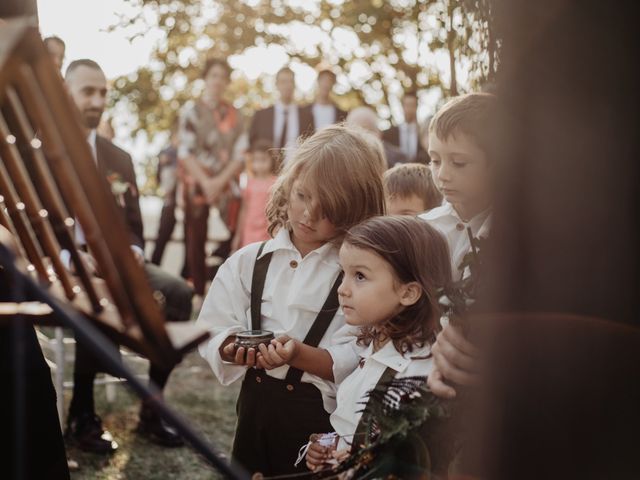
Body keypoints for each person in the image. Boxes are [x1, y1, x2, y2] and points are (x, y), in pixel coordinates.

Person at [195, 125, 386, 476]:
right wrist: (230, 347)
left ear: (354, 208)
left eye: (327, 208)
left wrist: (297, 354)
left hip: (315, 424)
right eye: (302, 196)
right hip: (252, 413)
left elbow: (358, 358)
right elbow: (212, 326)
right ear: (287, 188)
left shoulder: (356, 276)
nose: (308, 215)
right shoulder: (248, 261)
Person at [62, 59, 193, 452]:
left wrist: (134, 251)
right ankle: (82, 415)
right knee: (98, 294)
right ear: (66, 94)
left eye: (103, 92)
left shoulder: (119, 158)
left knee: (178, 293)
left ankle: (152, 410)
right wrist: (72, 260)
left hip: (119, 259)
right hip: (67, 263)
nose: (98, 100)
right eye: (88, 91)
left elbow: (134, 223)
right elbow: (33, 225)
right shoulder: (43, 152)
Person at [256, 216, 451, 474]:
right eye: (343, 274)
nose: (342, 289)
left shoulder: (419, 373)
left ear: (408, 292)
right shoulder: (373, 346)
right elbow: (354, 425)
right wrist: (328, 444)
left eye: (360, 276)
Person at [417, 92, 496, 400]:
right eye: (434, 160)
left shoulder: (517, 237)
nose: (442, 175)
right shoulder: (424, 229)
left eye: (459, 162)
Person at [177, 57, 247, 297]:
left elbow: (241, 154)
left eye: (222, 77)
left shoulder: (236, 115)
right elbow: (185, 152)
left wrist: (220, 182)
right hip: (197, 182)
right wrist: (206, 182)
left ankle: (219, 276)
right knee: (195, 236)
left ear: (227, 82)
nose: (218, 81)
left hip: (227, 182)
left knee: (241, 225)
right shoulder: (191, 112)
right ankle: (197, 293)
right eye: (213, 75)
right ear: (206, 79)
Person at [249, 66, 314, 161]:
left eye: (291, 81)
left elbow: (311, 145)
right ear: (276, 85)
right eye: (283, 82)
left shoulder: (306, 116)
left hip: (296, 170)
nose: (288, 86)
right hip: (266, 172)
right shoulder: (261, 115)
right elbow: (252, 144)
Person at [231, 139, 279, 252]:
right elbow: (244, 209)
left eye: (263, 160)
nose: (259, 164)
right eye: (256, 160)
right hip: (249, 229)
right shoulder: (249, 183)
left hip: (267, 229)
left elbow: (277, 210)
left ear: (271, 160)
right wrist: (238, 235)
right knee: (248, 257)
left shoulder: (275, 183)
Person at [151, 129, 181, 267]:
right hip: (171, 200)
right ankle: (154, 264)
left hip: (179, 199)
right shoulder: (168, 153)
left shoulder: (181, 154)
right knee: (162, 235)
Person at [383, 90, 429, 163]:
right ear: (402, 107)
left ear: (416, 107)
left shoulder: (423, 132)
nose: (409, 109)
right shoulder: (389, 133)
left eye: (412, 105)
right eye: (407, 105)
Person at [302, 66, 347, 132]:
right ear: (318, 81)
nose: (326, 84)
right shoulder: (304, 111)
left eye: (329, 81)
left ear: (333, 84)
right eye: (324, 80)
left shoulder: (341, 114)